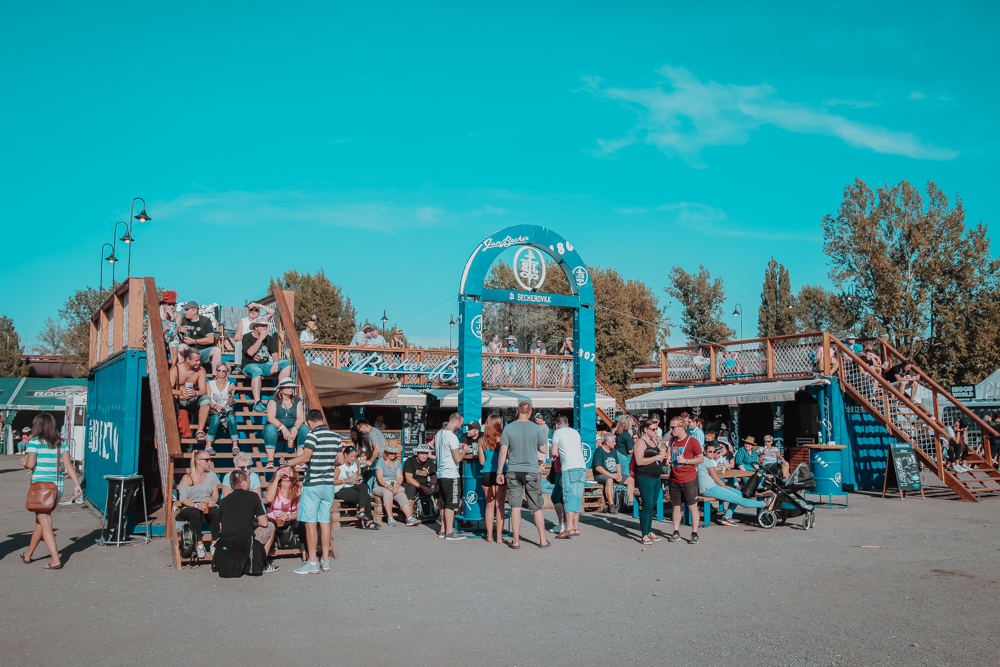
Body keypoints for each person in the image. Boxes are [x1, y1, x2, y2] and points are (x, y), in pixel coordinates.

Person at [283, 409, 350, 574]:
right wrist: (327, 462)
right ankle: (325, 561)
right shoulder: (335, 436)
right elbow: (341, 460)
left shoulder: (312, 435)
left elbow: (306, 457)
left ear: (310, 423)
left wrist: (288, 463)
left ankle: (312, 562)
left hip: (313, 483)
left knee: (310, 523)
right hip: (328, 485)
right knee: (324, 522)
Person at [18, 413, 82, 569]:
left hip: (41, 487)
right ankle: (28, 554)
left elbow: (30, 464)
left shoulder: (34, 442)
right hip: (57, 487)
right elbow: (68, 465)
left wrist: (23, 462)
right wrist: (76, 484)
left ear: (38, 426)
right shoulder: (61, 443)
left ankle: (55, 559)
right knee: (40, 521)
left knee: (45, 521)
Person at [496, 401, 550, 549]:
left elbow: (503, 452)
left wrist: (499, 472)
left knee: (515, 506)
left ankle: (515, 541)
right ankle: (543, 540)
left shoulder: (508, 428)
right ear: (531, 413)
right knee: (536, 507)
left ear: (517, 411)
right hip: (531, 470)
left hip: (514, 470)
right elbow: (544, 450)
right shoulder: (536, 428)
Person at [214, 469, 277, 575]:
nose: (250, 482)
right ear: (243, 483)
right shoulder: (253, 496)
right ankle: (261, 562)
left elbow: (221, 526)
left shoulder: (223, 501)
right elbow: (264, 523)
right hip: (246, 540)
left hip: (228, 540)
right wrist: (254, 521)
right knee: (270, 526)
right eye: (248, 480)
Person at [698, 443, 772, 527]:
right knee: (738, 499)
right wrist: (726, 488)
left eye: (713, 451)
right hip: (709, 488)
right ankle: (763, 504)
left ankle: (727, 517)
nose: (712, 453)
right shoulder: (707, 461)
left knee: (739, 494)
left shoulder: (706, 460)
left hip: (711, 487)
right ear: (705, 452)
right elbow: (717, 479)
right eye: (710, 452)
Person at [175, 450, 222, 558]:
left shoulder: (211, 475)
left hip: (207, 504)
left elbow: (215, 494)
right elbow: (183, 498)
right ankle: (199, 543)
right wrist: (195, 505)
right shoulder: (187, 478)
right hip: (191, 505)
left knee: (216, 511)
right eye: (206, 460)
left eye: (209, 459)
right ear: (197, 461)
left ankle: (214, 543)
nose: (209, 462)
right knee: (194, 512)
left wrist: (213, 501)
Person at [242, 315, 293, 413]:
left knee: (287, 363)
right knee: (257, 371)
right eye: (262, 325)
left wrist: (275, 363)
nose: (265, 328)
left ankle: (279, 395)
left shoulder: (269, 338)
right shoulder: (247, 337)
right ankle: (257, 403)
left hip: (264, 365)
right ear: (256, 327)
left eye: (266, 326)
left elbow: (275, 353)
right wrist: (260, 338)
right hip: (249, 365)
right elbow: (250, 353)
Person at [666, 416, 704, 544]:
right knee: (676, 507)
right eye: (670, 427)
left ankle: (694, 533)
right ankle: (676, 532)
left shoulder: (692, 441)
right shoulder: (673, 440)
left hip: (688, 479)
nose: (671, 430)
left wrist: (686, 461)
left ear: (682, 427)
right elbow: (670, 453)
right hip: (674, 478)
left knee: (692, 506)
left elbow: (700, 458)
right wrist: (669, 460)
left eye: (673, 427)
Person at [435, 412, 471, 540]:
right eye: (460, 424)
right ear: (456, 421)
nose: (460, 427)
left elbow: (445, 451)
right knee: (451, 504)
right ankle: (450, 532)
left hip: (441, 473)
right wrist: (464, 451)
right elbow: (458, 458)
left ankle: (443, 530)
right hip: (451, 474)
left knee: (444, 504)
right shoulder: (452, 436)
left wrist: (457, 447)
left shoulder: (439, 434)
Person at [550, 415, 586, 539]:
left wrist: (552, 453)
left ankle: (569, 528)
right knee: (577, 496)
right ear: (567, 423)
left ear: (557, 425)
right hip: (581, 466)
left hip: (569, 467)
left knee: (568, 496)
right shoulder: (575, 432)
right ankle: (575, 527)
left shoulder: (558, 432)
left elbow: (554, 452)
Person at [633, 419, 666, 545]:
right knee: (647, 504)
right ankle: (644, 534)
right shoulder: (640, 442)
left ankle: (649, 530)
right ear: (646, 429)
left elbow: (657, 458)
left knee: (652, 504)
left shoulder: (655, 441)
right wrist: (656, 457)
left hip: (656, 476)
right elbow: (639, 461)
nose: (655, 431)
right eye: (653, 429)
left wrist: (663, 458)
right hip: (644, 476)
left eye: (656, 429)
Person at [263, 378, 308, 468]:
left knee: (304, 428)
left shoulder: (297, 400)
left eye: (291, 387)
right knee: (270, 428)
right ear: (281, 388)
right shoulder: (274, 400)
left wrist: (296, 427)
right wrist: (282, 427)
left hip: (292, 429)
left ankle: (300, 459)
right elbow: (270, 418)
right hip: (277, 430)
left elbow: (300, 417)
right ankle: (270, 459)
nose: (290, 388)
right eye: (287, 387)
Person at [170, 348, 211, 446]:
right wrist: (179, 392)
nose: (199, 362)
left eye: (199, 360)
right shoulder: (176, 369)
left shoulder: (200, 370)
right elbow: (167, 390)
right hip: (178, 400)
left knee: (206, 399)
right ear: (187, 359)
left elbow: (203, 390)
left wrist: (195, 393)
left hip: (192, 400)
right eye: (196, 360)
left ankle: (200, 431)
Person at [264, 465, 305, 560]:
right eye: (283, 470)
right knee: (269, 526)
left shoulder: (298, 490)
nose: (286, 472)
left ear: (293, 474)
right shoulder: (274, 487)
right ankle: (263, 558)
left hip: (291, 518)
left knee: (303, 523)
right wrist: (276, 479)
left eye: (289, 470)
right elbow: (269, 499)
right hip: (274, 518)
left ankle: (305, 555)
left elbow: (300, 512)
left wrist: (289, 516)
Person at [332, 447, 378, 531]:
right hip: (340, 488)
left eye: (354, 456)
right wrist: (346, 480)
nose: (353, 458)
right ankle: (368, 521)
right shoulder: (340, 465)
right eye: (351, 456)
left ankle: (362, 511)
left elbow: (356, 478)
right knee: (366, 497)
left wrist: (356, 481)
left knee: (364, 486)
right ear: (345, 455)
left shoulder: (354, 464)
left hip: (351, 487)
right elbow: (333, 481)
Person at [477, 415, 506, 543]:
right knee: (500, 505)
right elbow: (505, 455)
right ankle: (499, 537)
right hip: (501, 473)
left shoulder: (481, 440)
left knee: (489, 504)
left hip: (487, 473)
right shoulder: (502, 438)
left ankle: (489, 536)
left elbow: (482, 461)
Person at [374, 444, 419, 526]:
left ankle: (409, 518)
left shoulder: (396, 462)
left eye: (395, 453)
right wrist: (386, 486)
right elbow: (379, 478)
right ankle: (390, 518)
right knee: (387, 492)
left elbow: (400, 477)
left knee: (402, 494)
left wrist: (397, 486)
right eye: (391, 453)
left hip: (394, 484)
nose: (393, 454)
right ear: (387, 452)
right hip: (381, 486)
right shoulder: (381, 461)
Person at [176, 300, 221, 377]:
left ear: (195, 310)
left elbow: (210, 339)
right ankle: (181, 374)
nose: (185, 312)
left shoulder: (205, 321)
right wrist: (179, 330)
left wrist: (194, 341)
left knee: (217, 350)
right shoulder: (184, 320)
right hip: (190, 350)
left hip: (203, 351)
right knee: (181, 347)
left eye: (187, 310)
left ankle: (215, 377)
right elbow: (173, 327)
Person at [593, 433, 633, 514]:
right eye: (613, 442)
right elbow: (598, 468)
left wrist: (619, 474)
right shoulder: (599, 451)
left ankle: (630, 504)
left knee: (630, 480)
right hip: (601, 475)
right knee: (609, 480)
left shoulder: (613, 451)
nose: (615, 443)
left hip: (614, 474)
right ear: (607, 442)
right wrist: (611, 475)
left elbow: (617, 464)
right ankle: (611, 505)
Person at [232, 301, 275, 375]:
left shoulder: (262, 320)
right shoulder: (243, 321)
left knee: (269, 341)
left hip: (261, 344)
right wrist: (242, 337)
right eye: (251, 309)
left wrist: (258, 305)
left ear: (259, 311)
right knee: (238, 343)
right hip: (247, 344)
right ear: (248, 311)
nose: (253, 311)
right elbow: (236, 337)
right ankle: (238, 366)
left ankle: (271, 364)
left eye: (256, 310)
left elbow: (272, 312)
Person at [206, 361, 238, 455]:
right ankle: (208, 445)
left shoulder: (231, 385)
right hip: (213, 411)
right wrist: (215, 406)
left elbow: (230, 403)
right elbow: (208, 399)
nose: (221, 372)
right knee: (215, 418)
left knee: (232, 418)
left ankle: (235, 445)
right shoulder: (209, 384)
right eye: (219, 370)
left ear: (227, 372)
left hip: (225, 411)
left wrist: (230, 394)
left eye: (223, 370)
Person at [403, 443, 437, 515]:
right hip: (412, 483)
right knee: (411, 488)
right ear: (417, 453)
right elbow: (408, 479)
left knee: (438, 487)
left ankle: (438, 511)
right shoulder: (409, 461)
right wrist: (422, 487)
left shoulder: (430, 462)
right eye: (422, 454)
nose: (424, 456)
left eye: (426, 454)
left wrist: (432, 486)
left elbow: (433, 476)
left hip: (424, 484)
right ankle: (410, 514)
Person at [354, 418, 385, 485]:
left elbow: (377, 450)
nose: (359, 431)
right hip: (383, 459)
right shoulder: (375, 430)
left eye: (359, 428)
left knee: (378, 482)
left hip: (381, 459)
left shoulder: (372, 433)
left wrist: (370, 461)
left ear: (363, 426)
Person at [159, 290, 181, 364]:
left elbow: (176, 331)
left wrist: (172, 318)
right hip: (161, 339)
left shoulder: (178, 315)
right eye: (169, 304)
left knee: (173, 339)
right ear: (163, 305)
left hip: (173, 341)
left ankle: (173, 365)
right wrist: (164, 330)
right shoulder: (157, 316)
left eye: (173, 305)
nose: (172, 307)